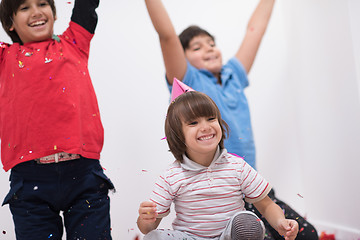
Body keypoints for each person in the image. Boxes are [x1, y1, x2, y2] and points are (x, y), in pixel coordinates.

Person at [144, 0, 319, 239]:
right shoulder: (189, 80)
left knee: (306, 235)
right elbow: (167, 36)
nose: (209, 49)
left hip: (246, 191)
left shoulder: (233, 75)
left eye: (212, 44)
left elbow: (255, 30)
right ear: (182, 58)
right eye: (197, 47)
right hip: (209, 205)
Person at [0, 0, 114, 239]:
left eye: (43, 3)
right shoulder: (4, 59)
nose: (36, 12)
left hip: (84, 177)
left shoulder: (75, 42)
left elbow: (86, 5)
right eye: (24, 8)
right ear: (9, 22)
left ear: (53, 12)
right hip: (30, 181)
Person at [137, 90, 299, 240]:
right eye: (193, 123)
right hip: (190, 237)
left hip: (228, 236)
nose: (206, 127)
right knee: (154, 237)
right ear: (178, 135)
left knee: (247, 221)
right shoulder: (171, 175)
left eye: (211, 119)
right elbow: (147, 229)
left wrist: (280, 222)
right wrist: (147, 219)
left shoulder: (237, 167)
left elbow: (266, 205)